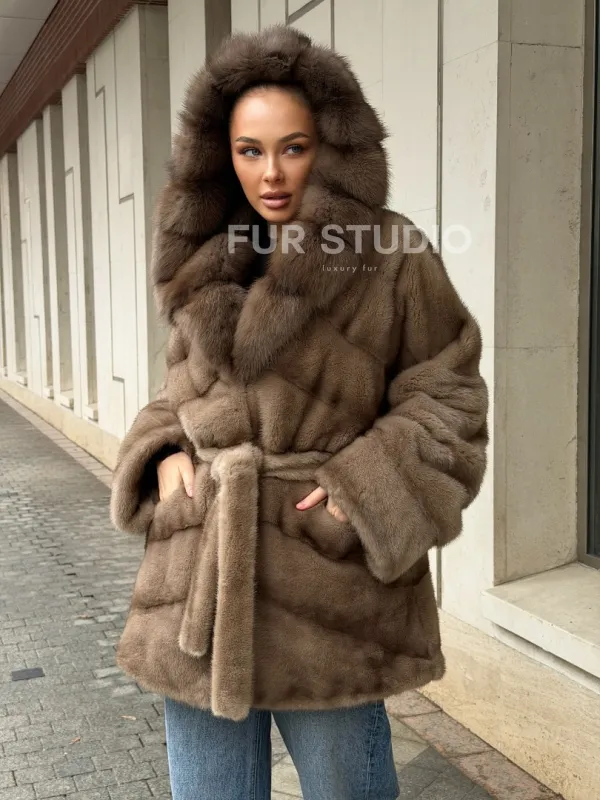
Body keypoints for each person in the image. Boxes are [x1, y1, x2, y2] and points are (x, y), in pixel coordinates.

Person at [109, 24, 488, 800]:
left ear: (331, 147)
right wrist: (164, 451)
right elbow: (179, 393)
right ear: (222, 154)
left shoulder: (390, 253)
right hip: (197, 585)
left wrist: (363, 492)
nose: (271, 172)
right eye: (250, 151)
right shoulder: (203, 256)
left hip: (325, 593)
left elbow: (449, 393)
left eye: (294, 147)